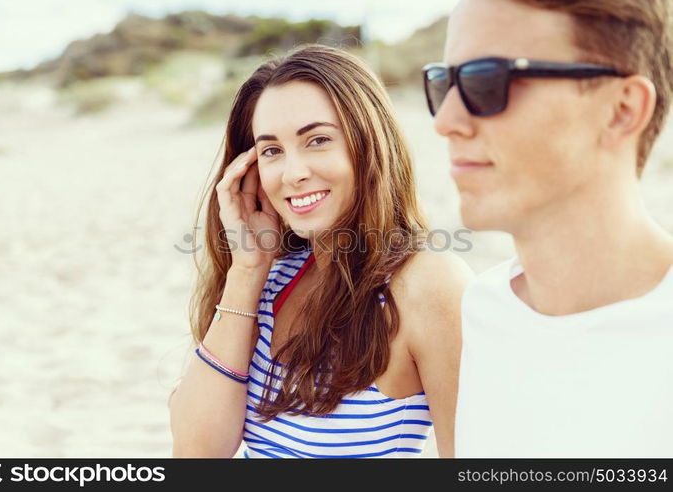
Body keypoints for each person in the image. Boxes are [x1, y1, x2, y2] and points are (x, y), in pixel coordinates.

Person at [169, 44, 473, 458]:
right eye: (272, 150)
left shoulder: (427, 284)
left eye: (317, 140)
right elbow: (197, 453)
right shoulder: (270, 279)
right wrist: (246, 269)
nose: (293, 174)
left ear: (369, 144)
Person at [424, 0, 673, 457]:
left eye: (486, 80)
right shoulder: (484, 309)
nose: (446, 121)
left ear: (622, 109)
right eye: (443, 83)